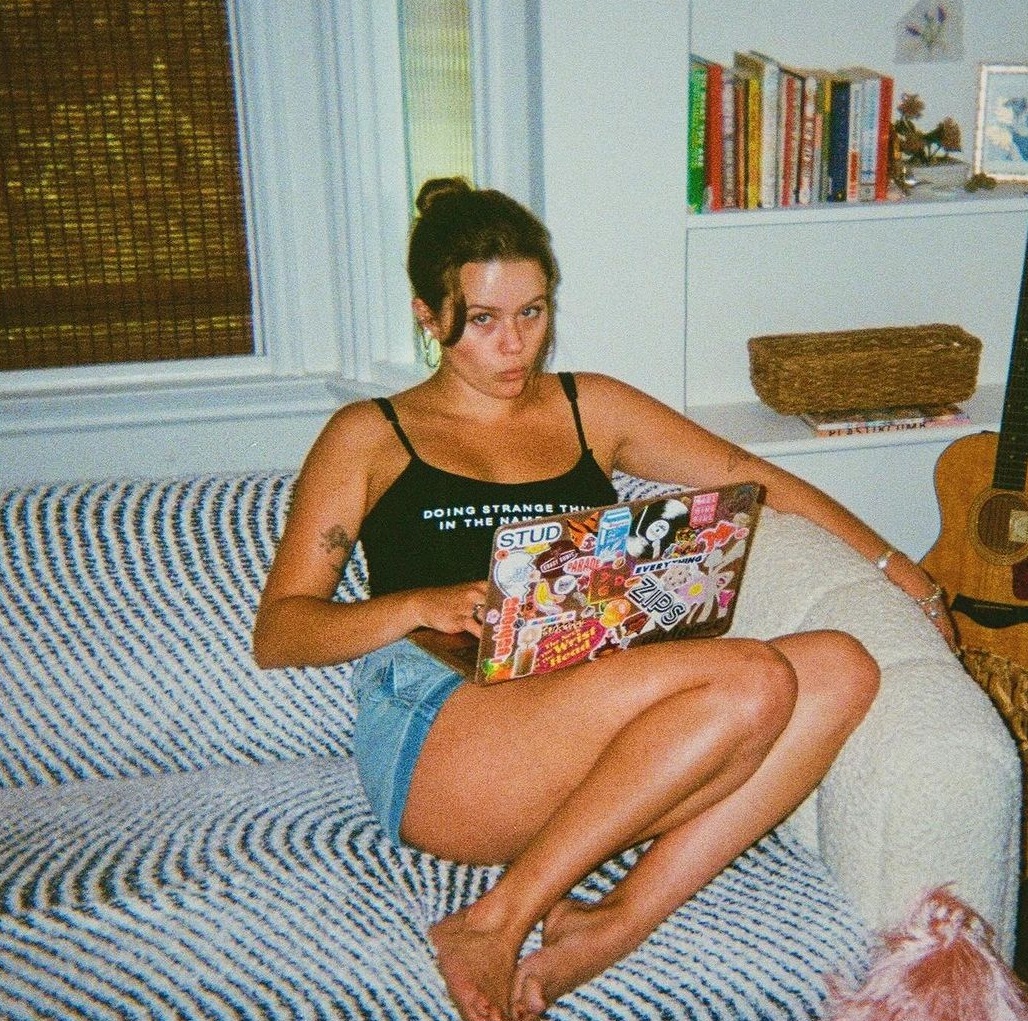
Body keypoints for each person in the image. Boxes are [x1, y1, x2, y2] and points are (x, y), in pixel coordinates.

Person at [253, 177, 956, 1021]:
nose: (516, 345)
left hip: (586, 716)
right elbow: (280, 631)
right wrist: (418, 605)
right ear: (428, 317)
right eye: (483, 320)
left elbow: (750, 475)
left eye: (533, 312)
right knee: (753, 679)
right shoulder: (369, 435)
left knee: (843, 667)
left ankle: (611, 919)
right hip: (442, 729)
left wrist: (898, 567)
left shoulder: (592, 406)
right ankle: (493, 920)